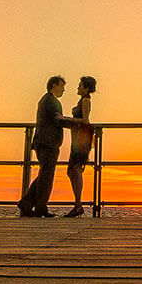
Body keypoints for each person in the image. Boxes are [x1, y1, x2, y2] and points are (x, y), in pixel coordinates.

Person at [17, 75, 77, 217]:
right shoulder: (52, 101)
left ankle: (26, 204)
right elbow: (59, 121)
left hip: (43, 141)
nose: (63, 90)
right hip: (48, 142)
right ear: (54, 86)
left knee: (44, 174)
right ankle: (40, 207)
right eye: (62, 86)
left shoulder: (46, 100)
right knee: (47, 176)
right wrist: (77, 124)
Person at [63, 76, 97, 217]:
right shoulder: (82, 100)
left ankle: (78, 205)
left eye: (80, 86)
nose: (78, 88)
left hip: (81, 140)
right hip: (78, 139)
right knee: (72, 170)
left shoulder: (86, 100)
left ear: (86, 88)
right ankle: (78, 204)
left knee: (75, 169)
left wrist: (66, 119)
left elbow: (85, 120)